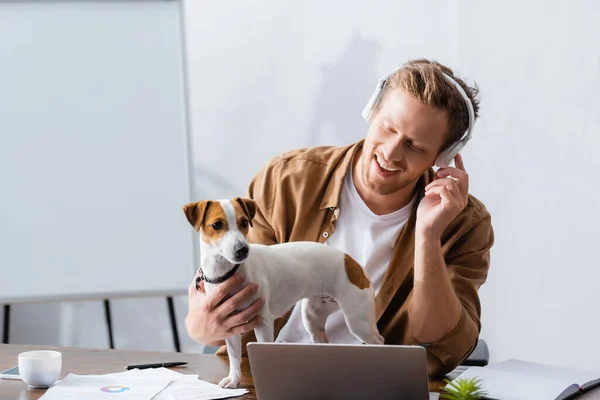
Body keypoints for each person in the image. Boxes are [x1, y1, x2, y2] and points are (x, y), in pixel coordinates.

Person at [185, 58, 494, 377]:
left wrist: (428, 235)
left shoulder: (464, 223)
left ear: (441, 157)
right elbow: (232, 304)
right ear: (372, 111)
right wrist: (201, 325)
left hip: (374, 383)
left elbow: (441, 340)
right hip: (271, 377)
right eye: (388, 128)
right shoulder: (287, 180)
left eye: (414, 146)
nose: (390, 152)